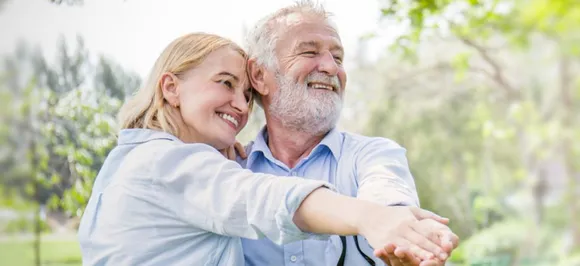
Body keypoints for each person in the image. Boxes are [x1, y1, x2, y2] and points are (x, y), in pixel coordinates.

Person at [77, 32, 454, 266]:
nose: (241, 106)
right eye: (225, 83)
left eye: (246, 95)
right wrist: (370, 218)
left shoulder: (140, 160)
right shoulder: (164, 163)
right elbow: (259, 198)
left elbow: (387, 188)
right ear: (171, 88)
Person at [239, 1, 459, 266]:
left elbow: (387, 194)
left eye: (338, 58)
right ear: (259, 75)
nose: (332, 68)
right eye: (309, 52)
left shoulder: (374, 154)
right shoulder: (231, 168)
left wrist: (407, 233)